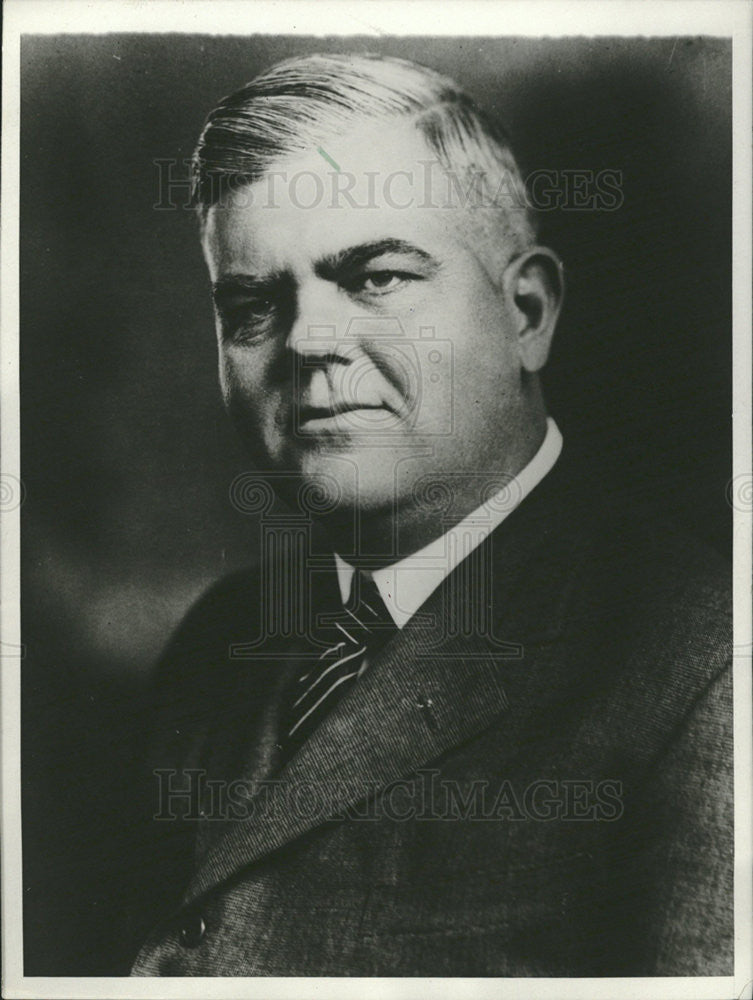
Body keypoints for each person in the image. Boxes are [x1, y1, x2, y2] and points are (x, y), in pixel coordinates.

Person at [130, 53, 732, 976]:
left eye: (375, 277)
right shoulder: (217, 648)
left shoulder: (703, 673)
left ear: (525, 312)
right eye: (253, 304)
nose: (309, 341)